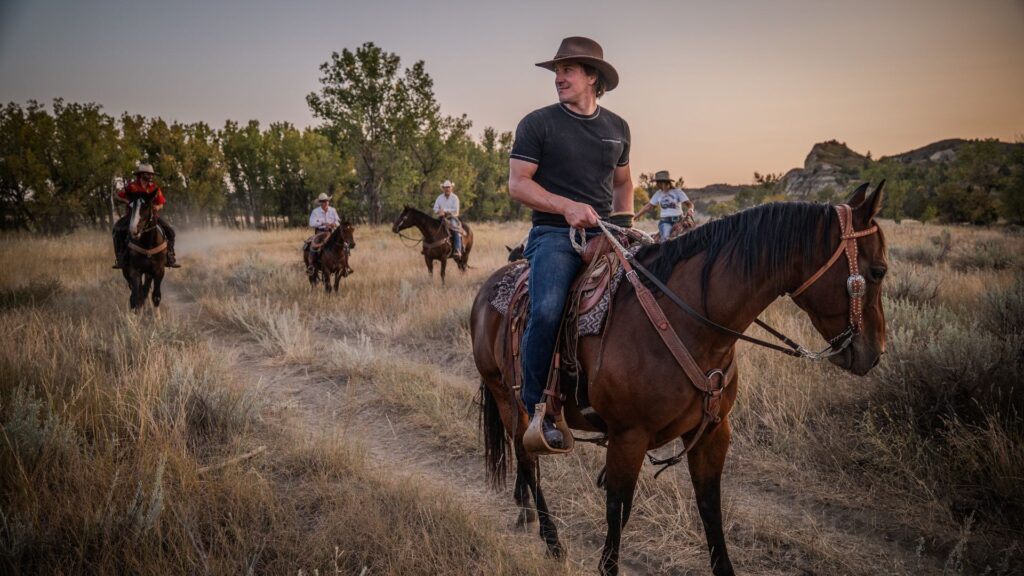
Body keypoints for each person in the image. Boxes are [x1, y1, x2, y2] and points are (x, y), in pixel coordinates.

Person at [508, 36, 633, 448]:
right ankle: (536, 409)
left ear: (592, 77)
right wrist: (566, 208)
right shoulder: (538, 123)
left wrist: (625, 224)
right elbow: (518, 185)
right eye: (557, 71)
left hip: (607, 233)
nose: (559, 77)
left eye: (568, 70)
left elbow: (622, 183)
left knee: (650, 298)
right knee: (546, 309)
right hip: (554, 234)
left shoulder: (618, 127)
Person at [112, 163, 180, 268]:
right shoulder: (131, 187)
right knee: (117, 230)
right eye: (148, 174)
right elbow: (117, 196)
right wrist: (127, 201)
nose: (151, 176)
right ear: (141, 174)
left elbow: (161, 202)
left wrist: (157, 207)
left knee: (170, 232)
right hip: (132, 215)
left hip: (152, 217)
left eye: (152, 174)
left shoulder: (154, 188)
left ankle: (170, 256)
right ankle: (121, 258)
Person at [635, 170, 694, 241]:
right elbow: (648, 206)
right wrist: (636, 216)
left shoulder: (677, 192)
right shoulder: (658, 193)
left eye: (658, 183)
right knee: (666, 238)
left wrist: (690, 210)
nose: (657, 185)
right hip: (665, 222)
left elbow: (689, 204)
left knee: (688, 238)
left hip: (679, 220)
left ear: (664, 182)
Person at [305, 192, 341, 274]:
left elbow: (338, 221)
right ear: (320, 203)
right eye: (323, 201)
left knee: (344, 244)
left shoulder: (333, 210)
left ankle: (345, 265)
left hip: (331, 232)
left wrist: (334, 224)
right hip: (320, 232)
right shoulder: (315, 212)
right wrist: (322, 223)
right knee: (313, 245)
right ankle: (311, 265)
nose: (325, 203)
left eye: (326, 201)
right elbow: (311, 223)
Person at [433, 179, 463, 257]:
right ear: (443, 188)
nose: (447, 189)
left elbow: (456, 210)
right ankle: (430, 248)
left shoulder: (455, 198)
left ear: (451, 188)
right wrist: (439, 211)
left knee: (454, 228)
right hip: (441, 217)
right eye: (445, 187)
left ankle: (457, 249)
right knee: (431, 227)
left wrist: (445, 211)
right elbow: (435, 208)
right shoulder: (439, 198)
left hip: (452, 217)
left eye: (448, 187)